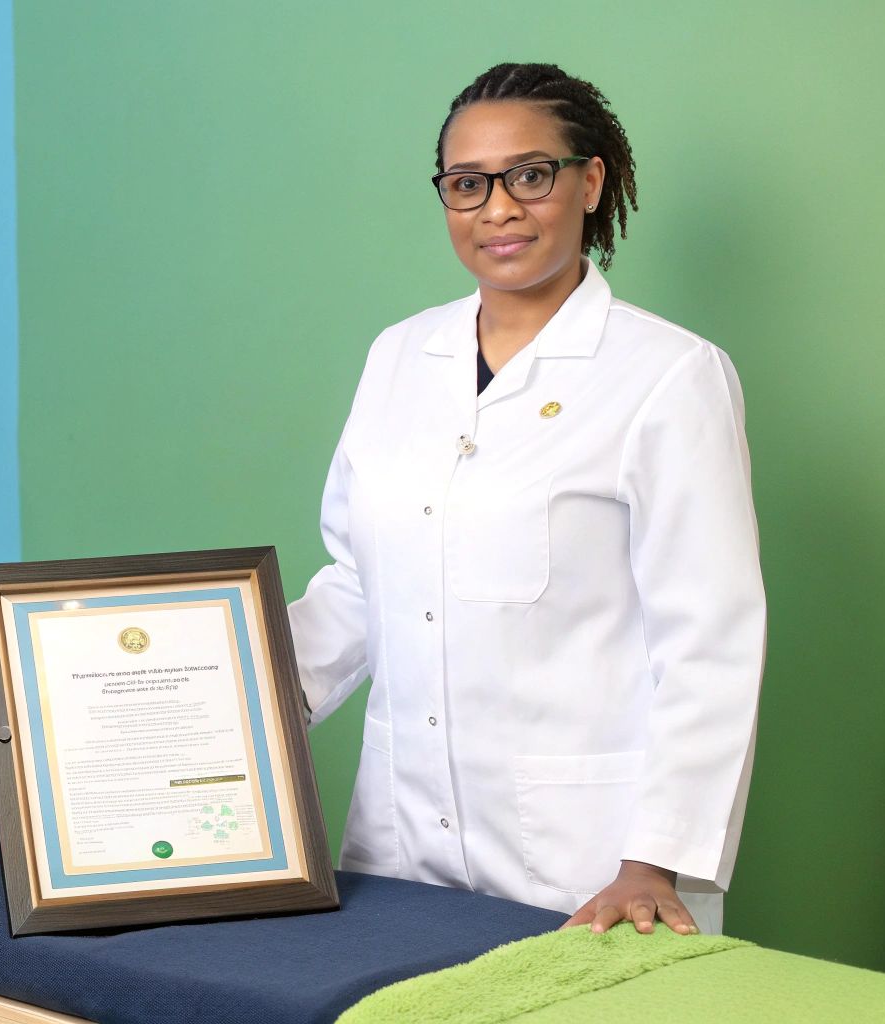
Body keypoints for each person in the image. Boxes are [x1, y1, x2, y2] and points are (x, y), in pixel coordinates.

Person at [286, 62, 765, 938]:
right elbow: (361, 582)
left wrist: (650, 860)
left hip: (590, 871)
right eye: (468, 184)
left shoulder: (667, 376)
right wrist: (230, 694)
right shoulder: (399, 355)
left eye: (529, 176)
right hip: (395, 855)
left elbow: (710, 642)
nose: (497, 209)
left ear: (590, 182)